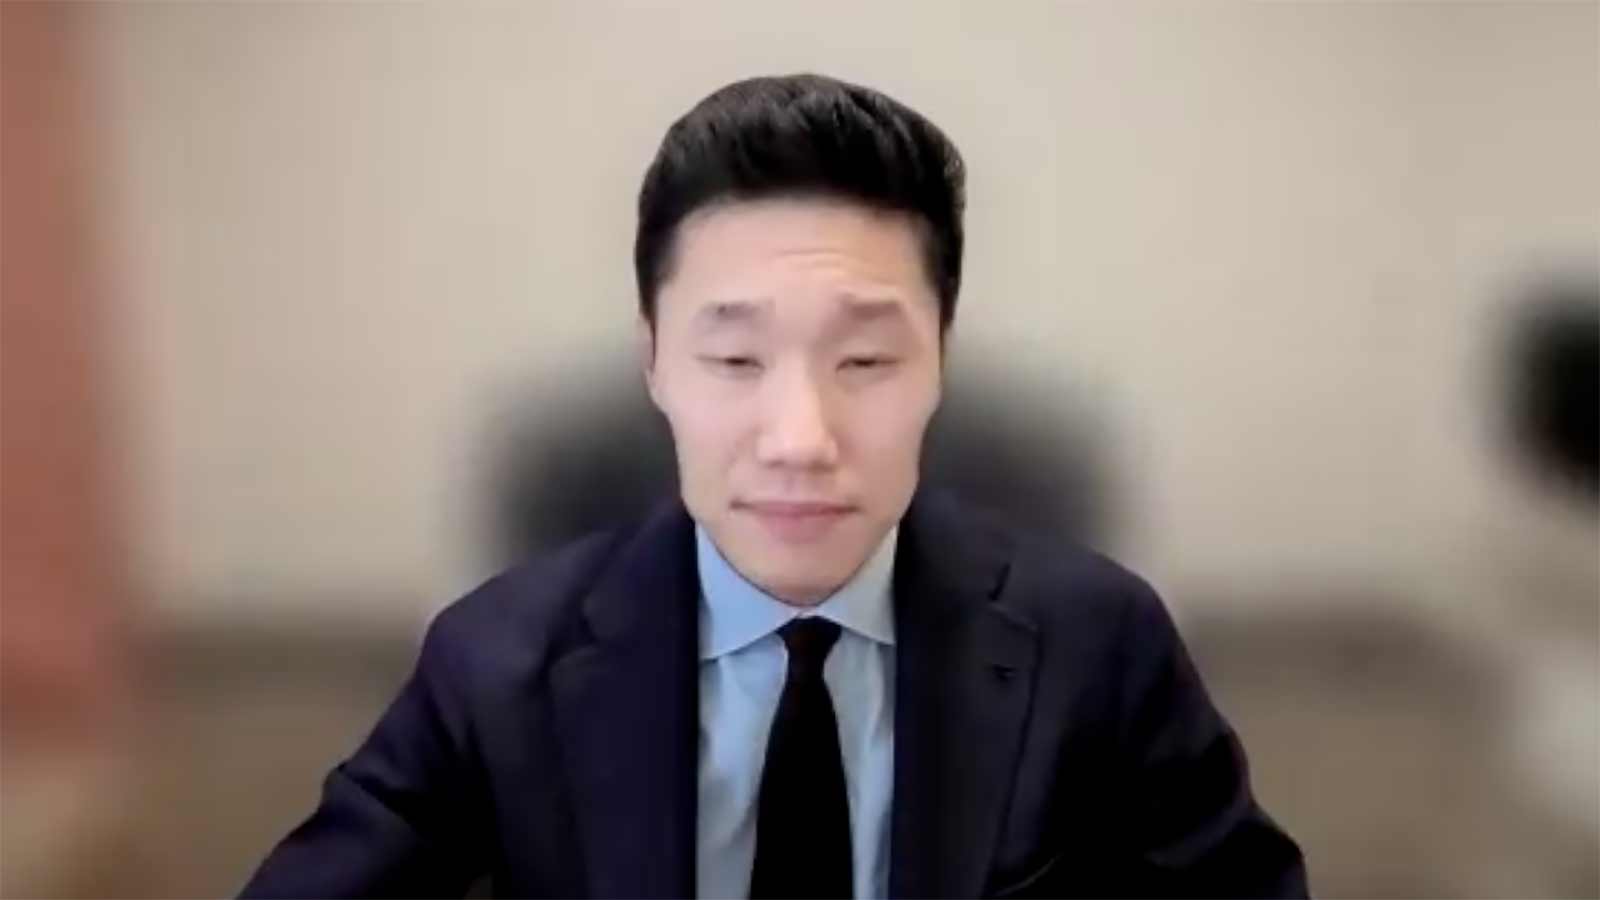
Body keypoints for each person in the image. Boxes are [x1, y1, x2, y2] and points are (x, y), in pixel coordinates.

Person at [241, 73, 1307, 899]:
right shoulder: (496, 663)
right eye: (735, 360)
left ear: (940, 361)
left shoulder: (1100, 648)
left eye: (866, 361)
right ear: (654, 363)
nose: (800, 439)